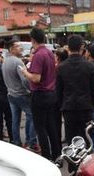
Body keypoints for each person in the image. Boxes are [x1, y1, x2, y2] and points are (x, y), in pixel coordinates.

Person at [56, 35, 94, 176]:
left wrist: (63, 106)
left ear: (68, 47)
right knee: (87, 141)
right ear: (81, 47)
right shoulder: (89, 66)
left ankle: (73, 175)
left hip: (69, 109)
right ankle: (91, 174)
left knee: (72, 142)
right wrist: (93, 105)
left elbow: (58, 91)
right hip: (86, 107)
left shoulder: (61, 67)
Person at [21, 28, 60, 161]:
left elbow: (36, 78)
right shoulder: (49, 52)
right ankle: (57, 153)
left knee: (40, 127)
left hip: (40, 94)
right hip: (51, 93)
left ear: (33, 39)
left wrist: (25, 72)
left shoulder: (38, 55)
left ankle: (47, 156)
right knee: (51, 125)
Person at [2, 40, 38, 150]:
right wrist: (30, 90)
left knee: (15, 119)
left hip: (11, 94)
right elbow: (24, 79)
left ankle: (16, 142)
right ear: (11, 49)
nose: (21, 48)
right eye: (18, 46)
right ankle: (31, 142)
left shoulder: (5, 61)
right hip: (21, 94)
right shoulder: (17, 61)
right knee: (32, 116)